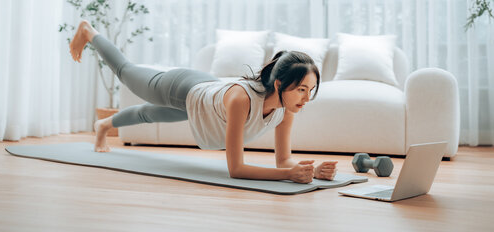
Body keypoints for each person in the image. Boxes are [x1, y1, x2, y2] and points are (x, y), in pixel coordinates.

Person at [69, 20, 338, 184]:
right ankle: (88, 31)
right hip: (183, 87)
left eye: (310, 90)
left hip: (205, 97)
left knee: (152, 114)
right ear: (279, 85)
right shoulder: (241, 100)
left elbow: (284, 161)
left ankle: (104, 124)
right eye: (301, 89)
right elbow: (236, 169)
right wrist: (287, 176)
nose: (306, 98)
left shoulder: (286, 108)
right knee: (126, 73)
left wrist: (311, 170)